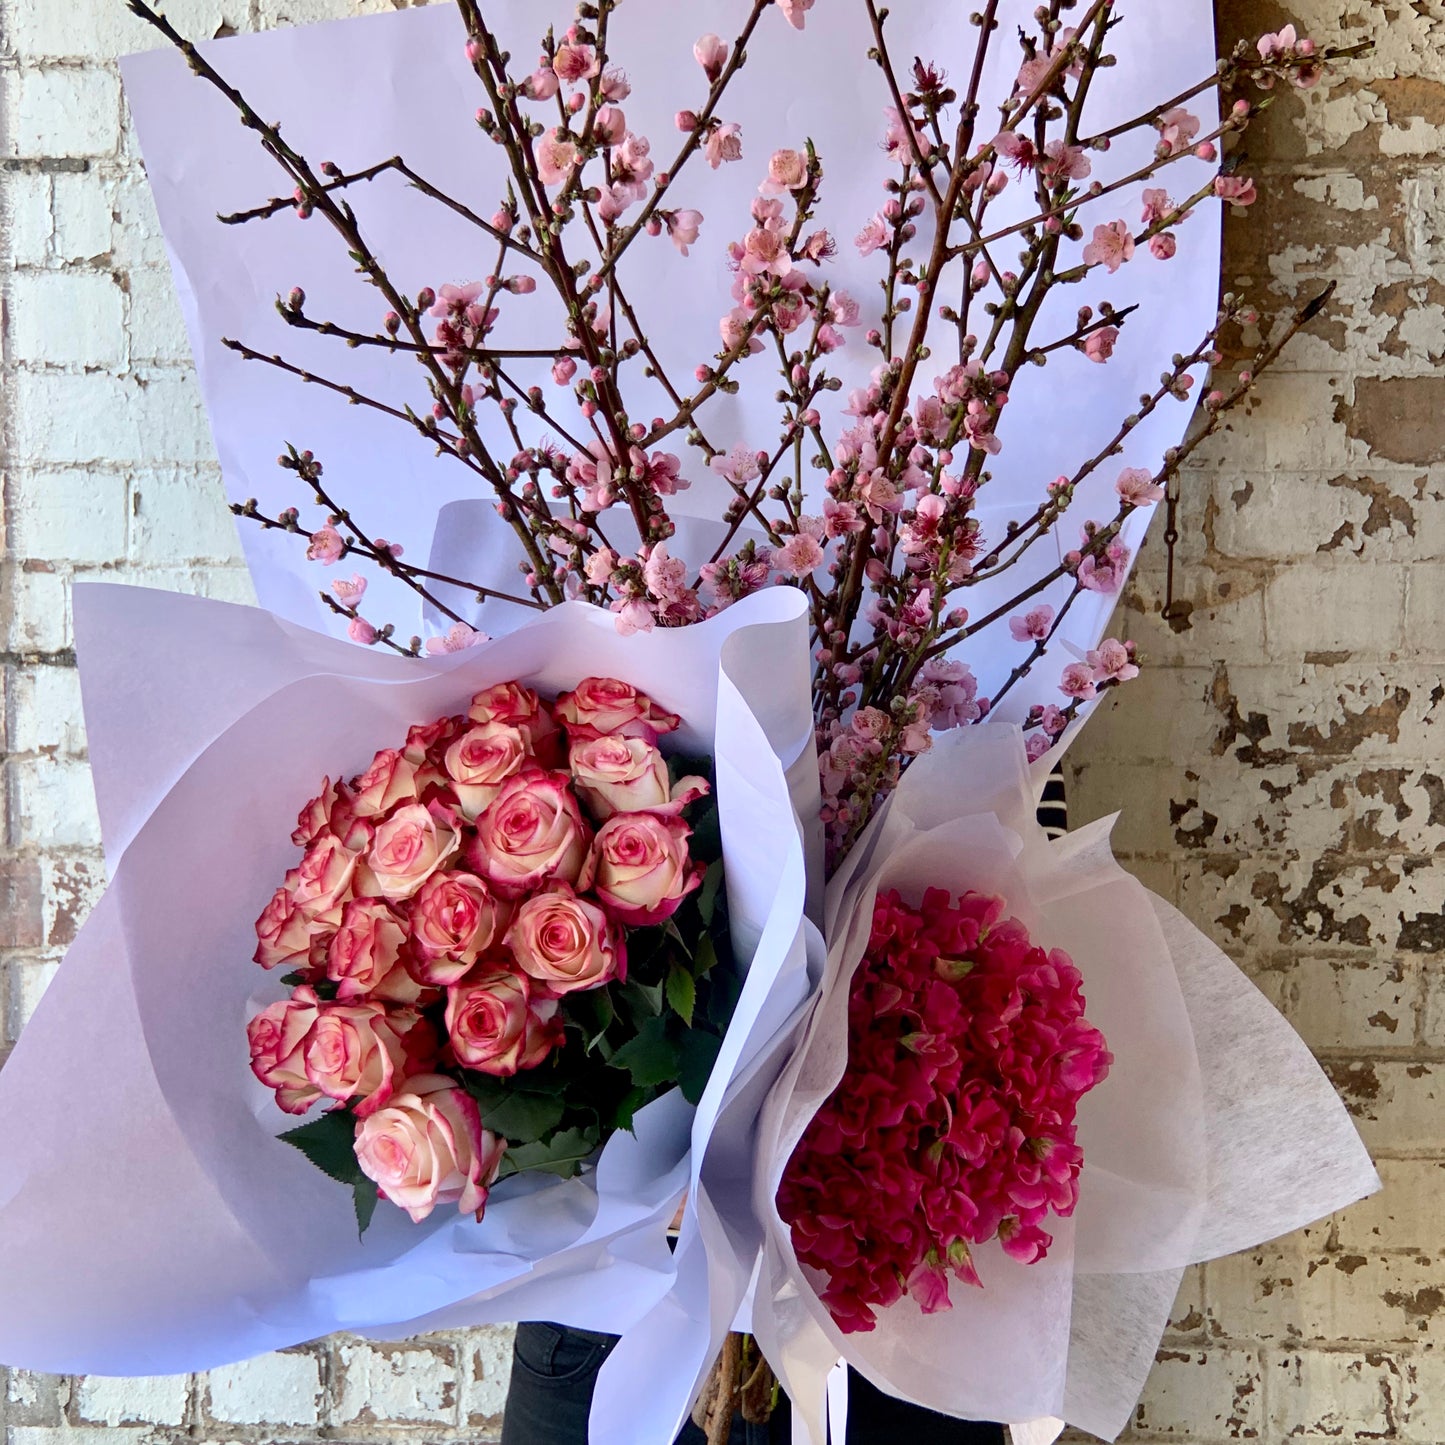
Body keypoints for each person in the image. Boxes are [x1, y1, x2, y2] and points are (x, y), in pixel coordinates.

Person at [500, 768, 1067, 1444]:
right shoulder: (588, 715)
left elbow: (1026, 913)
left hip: (876, 1305)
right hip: (622, 1292)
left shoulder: (996, 679)